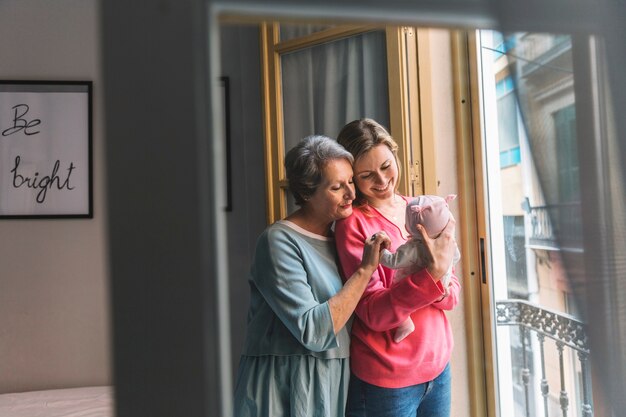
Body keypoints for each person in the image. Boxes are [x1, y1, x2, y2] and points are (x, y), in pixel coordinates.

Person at [232, 135, 391, 417]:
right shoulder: (278, 242)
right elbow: (313, 332)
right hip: (282, 385)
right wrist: (365, 271)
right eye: (336, 187)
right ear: (306, 193)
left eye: (350, 181)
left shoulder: (341, 237)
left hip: (334, 379)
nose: (351, 194)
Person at [334, 118, 460, 417]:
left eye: (386, 166)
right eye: (366, 175)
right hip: (388, 380)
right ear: (353, 179)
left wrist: (439, 280)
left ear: (395, 153)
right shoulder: (354, 225)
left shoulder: (422, 209)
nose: (381, 180)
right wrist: (431, 277)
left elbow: (452, 294)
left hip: (438, 367)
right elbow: (373, 312)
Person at [379, 194, 461, 342]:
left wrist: (380, 252)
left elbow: (393, 261)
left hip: (420, 290)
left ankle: (405, 323)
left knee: (400, 294)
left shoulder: (414, 248)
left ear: (410, 227)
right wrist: (445, 275)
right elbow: (456, 257)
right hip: (442, 285)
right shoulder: (447, 243)